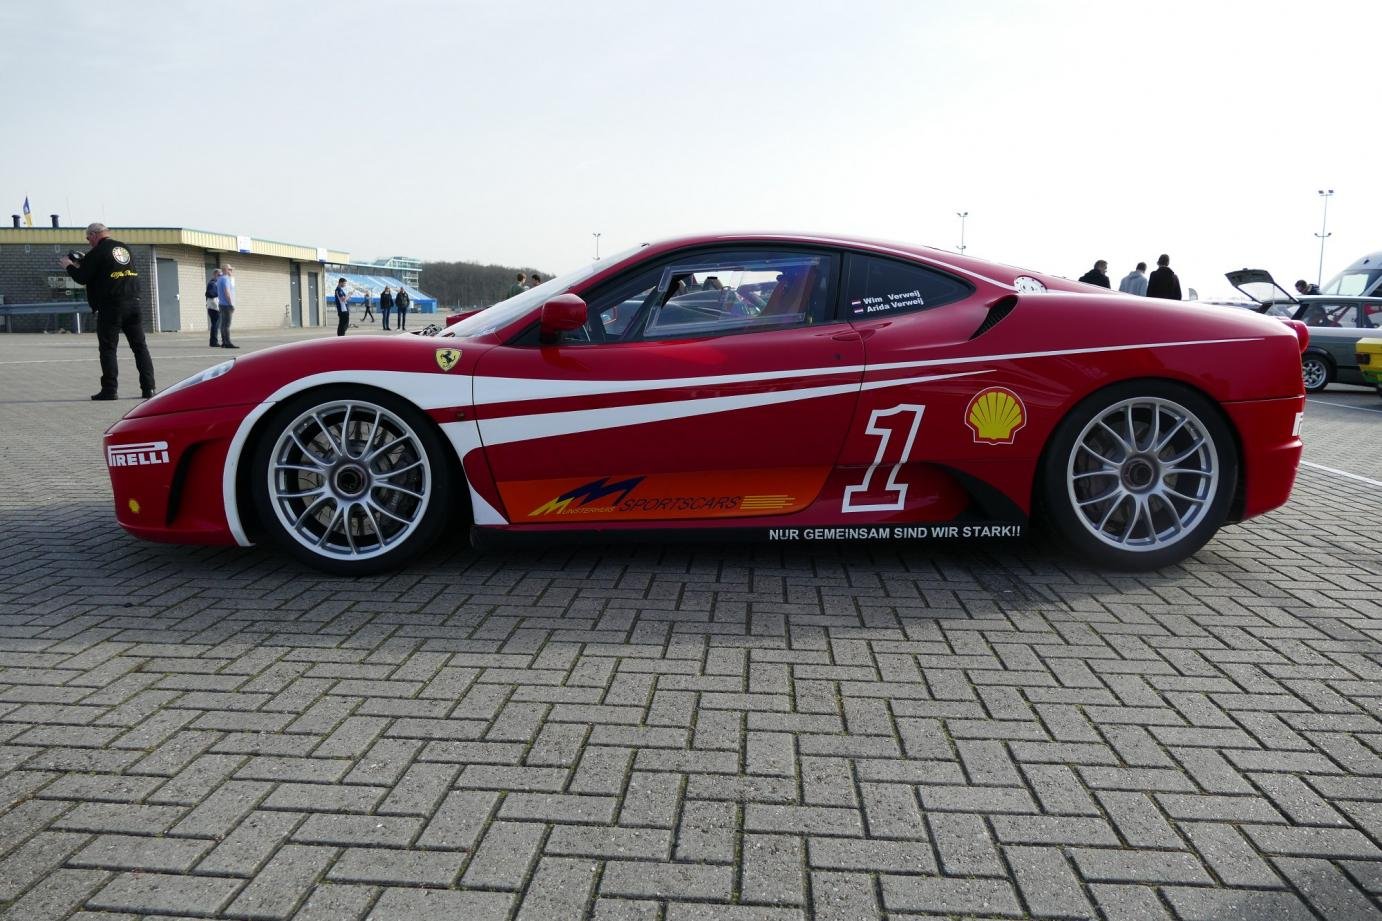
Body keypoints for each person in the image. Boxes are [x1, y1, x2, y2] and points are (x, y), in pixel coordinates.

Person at [59, 222, 156, 400]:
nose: (88, 242)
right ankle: (149, 388)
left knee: (108, 349)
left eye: (88, 238)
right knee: (140, 347)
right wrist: (85, 261)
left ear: (94, 235)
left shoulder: (97, 252)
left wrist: (68, 266)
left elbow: (82, 278)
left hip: (112, 306)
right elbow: (106, 270)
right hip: (133, 303)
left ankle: (110, 390)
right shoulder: (124, 248)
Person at [215, 266, 238, 348]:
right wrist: (231, 304)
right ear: (226, 270)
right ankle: (227, 342)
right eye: (230, 269)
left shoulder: (220, 279)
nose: (231, 271)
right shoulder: (225, 279)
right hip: (227, 305)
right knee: (227, 325)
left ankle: (224, 342)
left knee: (223, 325)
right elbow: (227, 292)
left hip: (221, 304)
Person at [204, 269, 222, 346]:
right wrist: (219, 293)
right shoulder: (213, 283)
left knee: (215, 324)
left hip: (213, 307)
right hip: (214, 307)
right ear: (215, 275)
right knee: (215, 324)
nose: (220, 277)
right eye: (219, 275)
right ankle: (214, 342)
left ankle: (213, 341)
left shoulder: (215, 283)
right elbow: (210, 294)